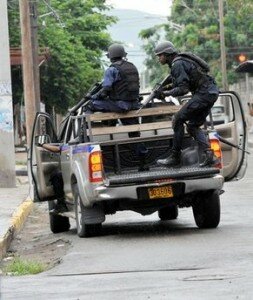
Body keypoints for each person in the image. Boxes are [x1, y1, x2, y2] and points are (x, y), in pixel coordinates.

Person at [154, 41, 219, 167]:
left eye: (160, 55)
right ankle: (210, 156)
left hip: (203, 94)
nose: (159, 58)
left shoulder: (177, 64)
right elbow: (183, 82)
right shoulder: (181, 61)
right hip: (210, 93)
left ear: (167, 54)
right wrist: (164, 89)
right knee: (192, 126)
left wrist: (165, 94)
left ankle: (175, 157)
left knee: (178, 119)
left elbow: (183, 89)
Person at [86, 43, 141, 138]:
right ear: (123, 55)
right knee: (132, 129)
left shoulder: (111, 70)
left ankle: (86, 135)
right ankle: (141, 151)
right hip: (134, 104)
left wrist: (92, 96)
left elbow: (105, 91)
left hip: (121, 105)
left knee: (89, 105)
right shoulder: (132, 66)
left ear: (110, 57)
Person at [39, 143, 68, 214]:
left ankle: (61, 205)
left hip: (72, 173)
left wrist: (42, 145)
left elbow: (57, 149)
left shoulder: (70, 143)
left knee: (56, 175)